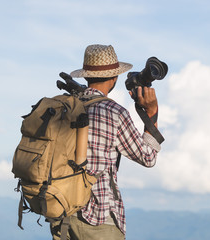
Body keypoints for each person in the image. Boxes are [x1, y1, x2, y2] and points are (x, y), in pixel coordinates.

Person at [50, 44, 161, 240]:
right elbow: (148, 157)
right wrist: (151, 113)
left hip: (61, 214)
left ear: (85, 75)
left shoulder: (64, 107)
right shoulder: (113, 112)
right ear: (115, 78)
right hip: (98, 218)